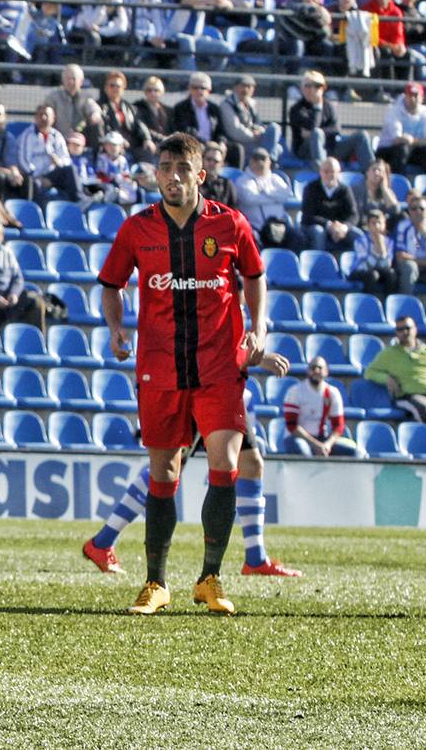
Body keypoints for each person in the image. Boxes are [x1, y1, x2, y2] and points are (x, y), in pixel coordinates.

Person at [90, 133, 268, 616]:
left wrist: (259, 327)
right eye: (164, 167)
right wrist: (115, 329)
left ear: (200, 174)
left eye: (181, 168)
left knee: (224, 464)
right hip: (160, 367)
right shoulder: (137, 229)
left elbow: (254, 276)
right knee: (163, 473)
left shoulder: (230, 224)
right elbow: (110, 284)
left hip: (218, 366)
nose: (171, 176)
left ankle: (210, 579)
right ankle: (156, 584)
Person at [282, 356, 359, 457]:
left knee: (357, 452)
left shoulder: (332, 393)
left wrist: (328, 444)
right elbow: (292, 426)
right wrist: (315, 445)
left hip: (323, 439)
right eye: (313, 368)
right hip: (297, 438)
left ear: (326, 371)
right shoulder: (295, 392)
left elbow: (338, 426)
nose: (316, 371)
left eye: (319, 368)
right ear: (308, 371)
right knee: (304, 452)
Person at [300, 157, 359, 253]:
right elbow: (308, 216)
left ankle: (356, 266)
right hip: (315, 226)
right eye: (326, 171)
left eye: (333, 171)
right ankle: (320, 263)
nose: (329, 175)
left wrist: (344, 227)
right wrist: (329, 225)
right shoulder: (311, 188)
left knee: (358, 235)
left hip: (339, 228)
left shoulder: (345, 190)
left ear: (339, 173)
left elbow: (353, 215)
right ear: (320, 172)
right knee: (319, 232)